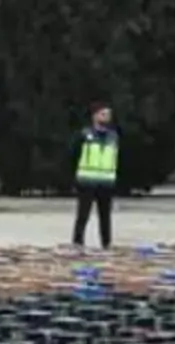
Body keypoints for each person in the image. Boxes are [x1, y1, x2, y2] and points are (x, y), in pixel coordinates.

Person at [71, 102, 118, 249]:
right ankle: (78, 242)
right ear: (95, 116)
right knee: (83, 214)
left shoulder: (113, 136)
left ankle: (106, 243)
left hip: (106, 182)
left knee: (105, 216)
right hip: (87, 180)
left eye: (108, 114)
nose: (107, 117)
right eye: (103, 114)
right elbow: (73, 154)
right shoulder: (85, 135)